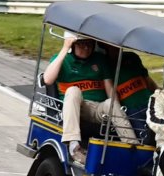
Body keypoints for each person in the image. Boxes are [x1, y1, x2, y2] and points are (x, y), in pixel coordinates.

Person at [42, 32, 137, 165]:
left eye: (89, 44)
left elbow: (110, 90)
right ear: (73, 45)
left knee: (111, 102)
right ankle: (74, 144)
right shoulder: (62, 59)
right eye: (82, 44)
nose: (86, 48)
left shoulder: (99, 60)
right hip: (77, 107)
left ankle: (133, 148)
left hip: (97, 108)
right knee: (73, 91)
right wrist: (65, 48)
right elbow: (47, 79)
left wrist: (118, 109)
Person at [103, 44, 158, 134]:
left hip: (149, 102)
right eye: (111, 47)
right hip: (131, 111)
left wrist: (159, 94)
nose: (116, 48)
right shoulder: (104, 64)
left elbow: (147, 79)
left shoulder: (132, 57)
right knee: (145, 137)